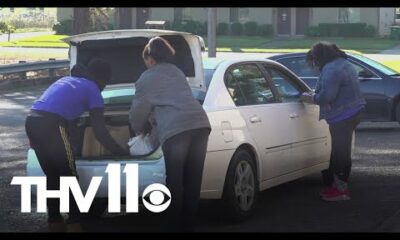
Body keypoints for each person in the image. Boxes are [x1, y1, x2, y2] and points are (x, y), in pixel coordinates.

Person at [25, 58, 129, 232]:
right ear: (101, 79)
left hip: (32, 121)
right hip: (52, 124)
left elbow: (68, 119)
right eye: (105, 83)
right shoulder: (93, 89)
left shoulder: (68, 80)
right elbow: (99, 130)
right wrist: (120, 151)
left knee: (53, 175)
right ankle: (74, 222)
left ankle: (54, 222)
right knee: (69, 174)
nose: (104, 88)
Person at [129, 37, 211, 231]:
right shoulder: (177, 72)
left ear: (150, 58)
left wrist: (139, 132)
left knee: (175, 179)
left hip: (176, 129)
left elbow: (137, 112)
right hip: (200, 124)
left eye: (145, 60)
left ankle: (172, 225)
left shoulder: (146, 78)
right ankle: (188, 224)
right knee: (193, 179)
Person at [301, 41, 366, 201]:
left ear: (319, 58)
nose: (314, 66)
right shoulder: (343, 63)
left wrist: (311, 98)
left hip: (342, 115)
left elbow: (326, 97)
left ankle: (341, 191)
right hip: (355, 110)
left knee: (340, 153)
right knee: (340, 151)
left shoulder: (331, 70)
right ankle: (338, 186)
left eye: (314, 62)